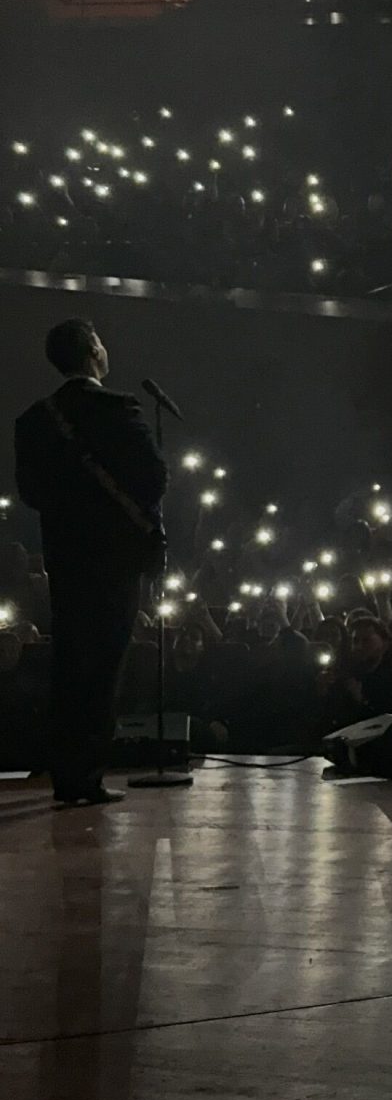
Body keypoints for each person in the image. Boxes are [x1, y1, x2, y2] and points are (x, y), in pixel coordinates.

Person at [13, 319, 166, 807]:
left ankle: (66, 774)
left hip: (66, 558)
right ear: (94, 352)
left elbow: (30, 492)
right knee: (105, 665)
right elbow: (154, 477)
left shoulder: (35, 420)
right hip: (115, 560)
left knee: (69, 661)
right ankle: (89, 775)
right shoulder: (119, 409)